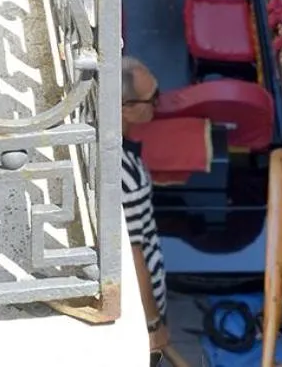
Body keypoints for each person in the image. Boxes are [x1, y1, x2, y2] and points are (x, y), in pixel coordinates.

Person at [122, 58, 168, 357]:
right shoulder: (131, 178)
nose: (159, 104)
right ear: (126, 108)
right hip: (141, 307)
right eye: (152, 99)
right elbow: (134, 253)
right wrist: (153, 324)